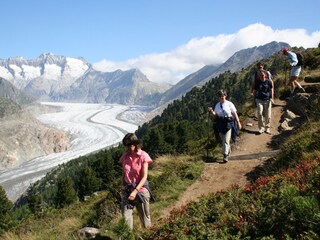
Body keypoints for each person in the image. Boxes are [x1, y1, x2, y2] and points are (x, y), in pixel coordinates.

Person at [119, 133, 152, 230]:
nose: (128, 148)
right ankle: (128, 236)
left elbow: (144, 176)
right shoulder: (125, 157)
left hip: (140, 190)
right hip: (127, 190)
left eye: (130, 145)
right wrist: (122, 186)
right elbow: (124, 173)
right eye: (126, 145)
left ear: (135, 143)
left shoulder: (143, 156)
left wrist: (135, 191)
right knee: (126, 218)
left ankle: (148, 235)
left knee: (145, 219)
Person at [208, 89, 242, 163]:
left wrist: (238, 122)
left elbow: (234, 113)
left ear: (225, 96)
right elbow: (215, 115)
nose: (221, 97)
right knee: (223, 140)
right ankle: (228, 151)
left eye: (223, 96)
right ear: (218, 97)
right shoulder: (217, 105)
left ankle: (225, 155)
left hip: (228, 123)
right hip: (220, 124)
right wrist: (211, 111)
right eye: (220, 96)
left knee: (226, 140)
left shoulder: (229, 104)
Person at [251, 62, 274, 134]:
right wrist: (253, 97)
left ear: (263, 66)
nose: (259, 69)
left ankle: (267, 128)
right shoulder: (256, 75)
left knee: (268, 114)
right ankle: (261, 128)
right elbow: (254, 85)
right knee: (260, 113)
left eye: (260, 67)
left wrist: (272, 97)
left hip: (267, 98)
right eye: (258, 67)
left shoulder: (267, 73)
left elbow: (271, 87)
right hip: (259, 99)